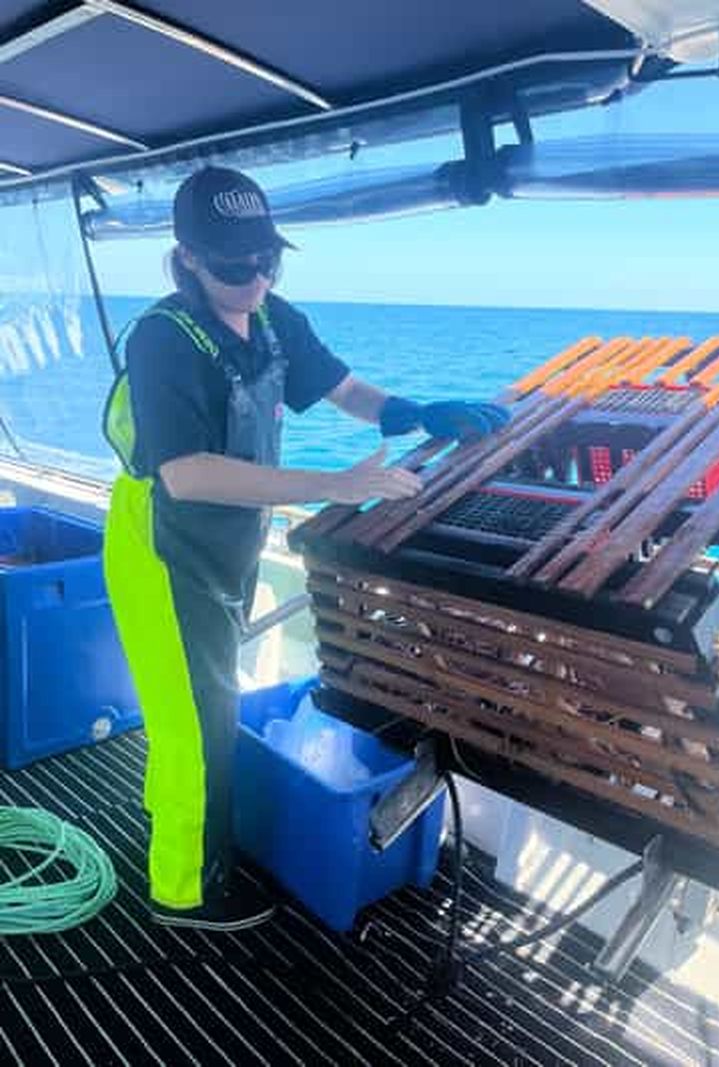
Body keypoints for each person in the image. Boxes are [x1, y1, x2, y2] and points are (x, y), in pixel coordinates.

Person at [102, 165, 509, 932]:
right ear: (186, 257)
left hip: (227, 544)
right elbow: (185, 475)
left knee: (199, 707)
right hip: (161, 548)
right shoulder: (161, 339)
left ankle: (179, 825)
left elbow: (342, 389)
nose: (256, 278)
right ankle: (184, 891)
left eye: (268, 259)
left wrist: (419, 411)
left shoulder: (274, 317)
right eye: (234, 264)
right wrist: (336, 482)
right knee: (195, 720)